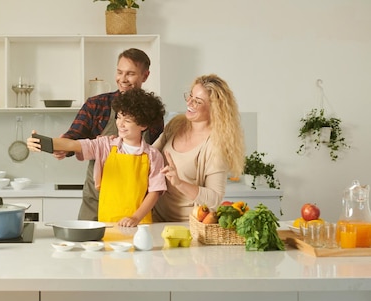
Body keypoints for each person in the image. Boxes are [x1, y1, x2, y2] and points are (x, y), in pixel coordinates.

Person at [28, 89, 166, 227]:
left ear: (143, 125)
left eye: (128, 120)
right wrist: (41, 142)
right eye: (118, 117)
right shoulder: (105, 145)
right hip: (107, 221)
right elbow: (73, 144)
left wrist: (135, 218)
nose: (120, 124)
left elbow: (155, 191)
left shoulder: (153, 155)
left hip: (139, 224)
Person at [57, 48, 164, 221]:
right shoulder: (96, 104)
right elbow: (73, 138)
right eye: (119, 72)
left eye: (130, 74)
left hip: (135, 203)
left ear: (145, 76)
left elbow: (156, 151)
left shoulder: (151, 112)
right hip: (97, 198)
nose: (123, 79)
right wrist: (60, 147)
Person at [151, 74, 245, 222]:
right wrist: (118, 143)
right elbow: (149, 154)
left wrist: (179, 183)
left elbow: (214, 199)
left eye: (197, 101)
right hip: (154, 218)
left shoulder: (215, 146)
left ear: (215, 109)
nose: (189, 103)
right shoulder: (176, 124)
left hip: (186, 226)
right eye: (190, 96)